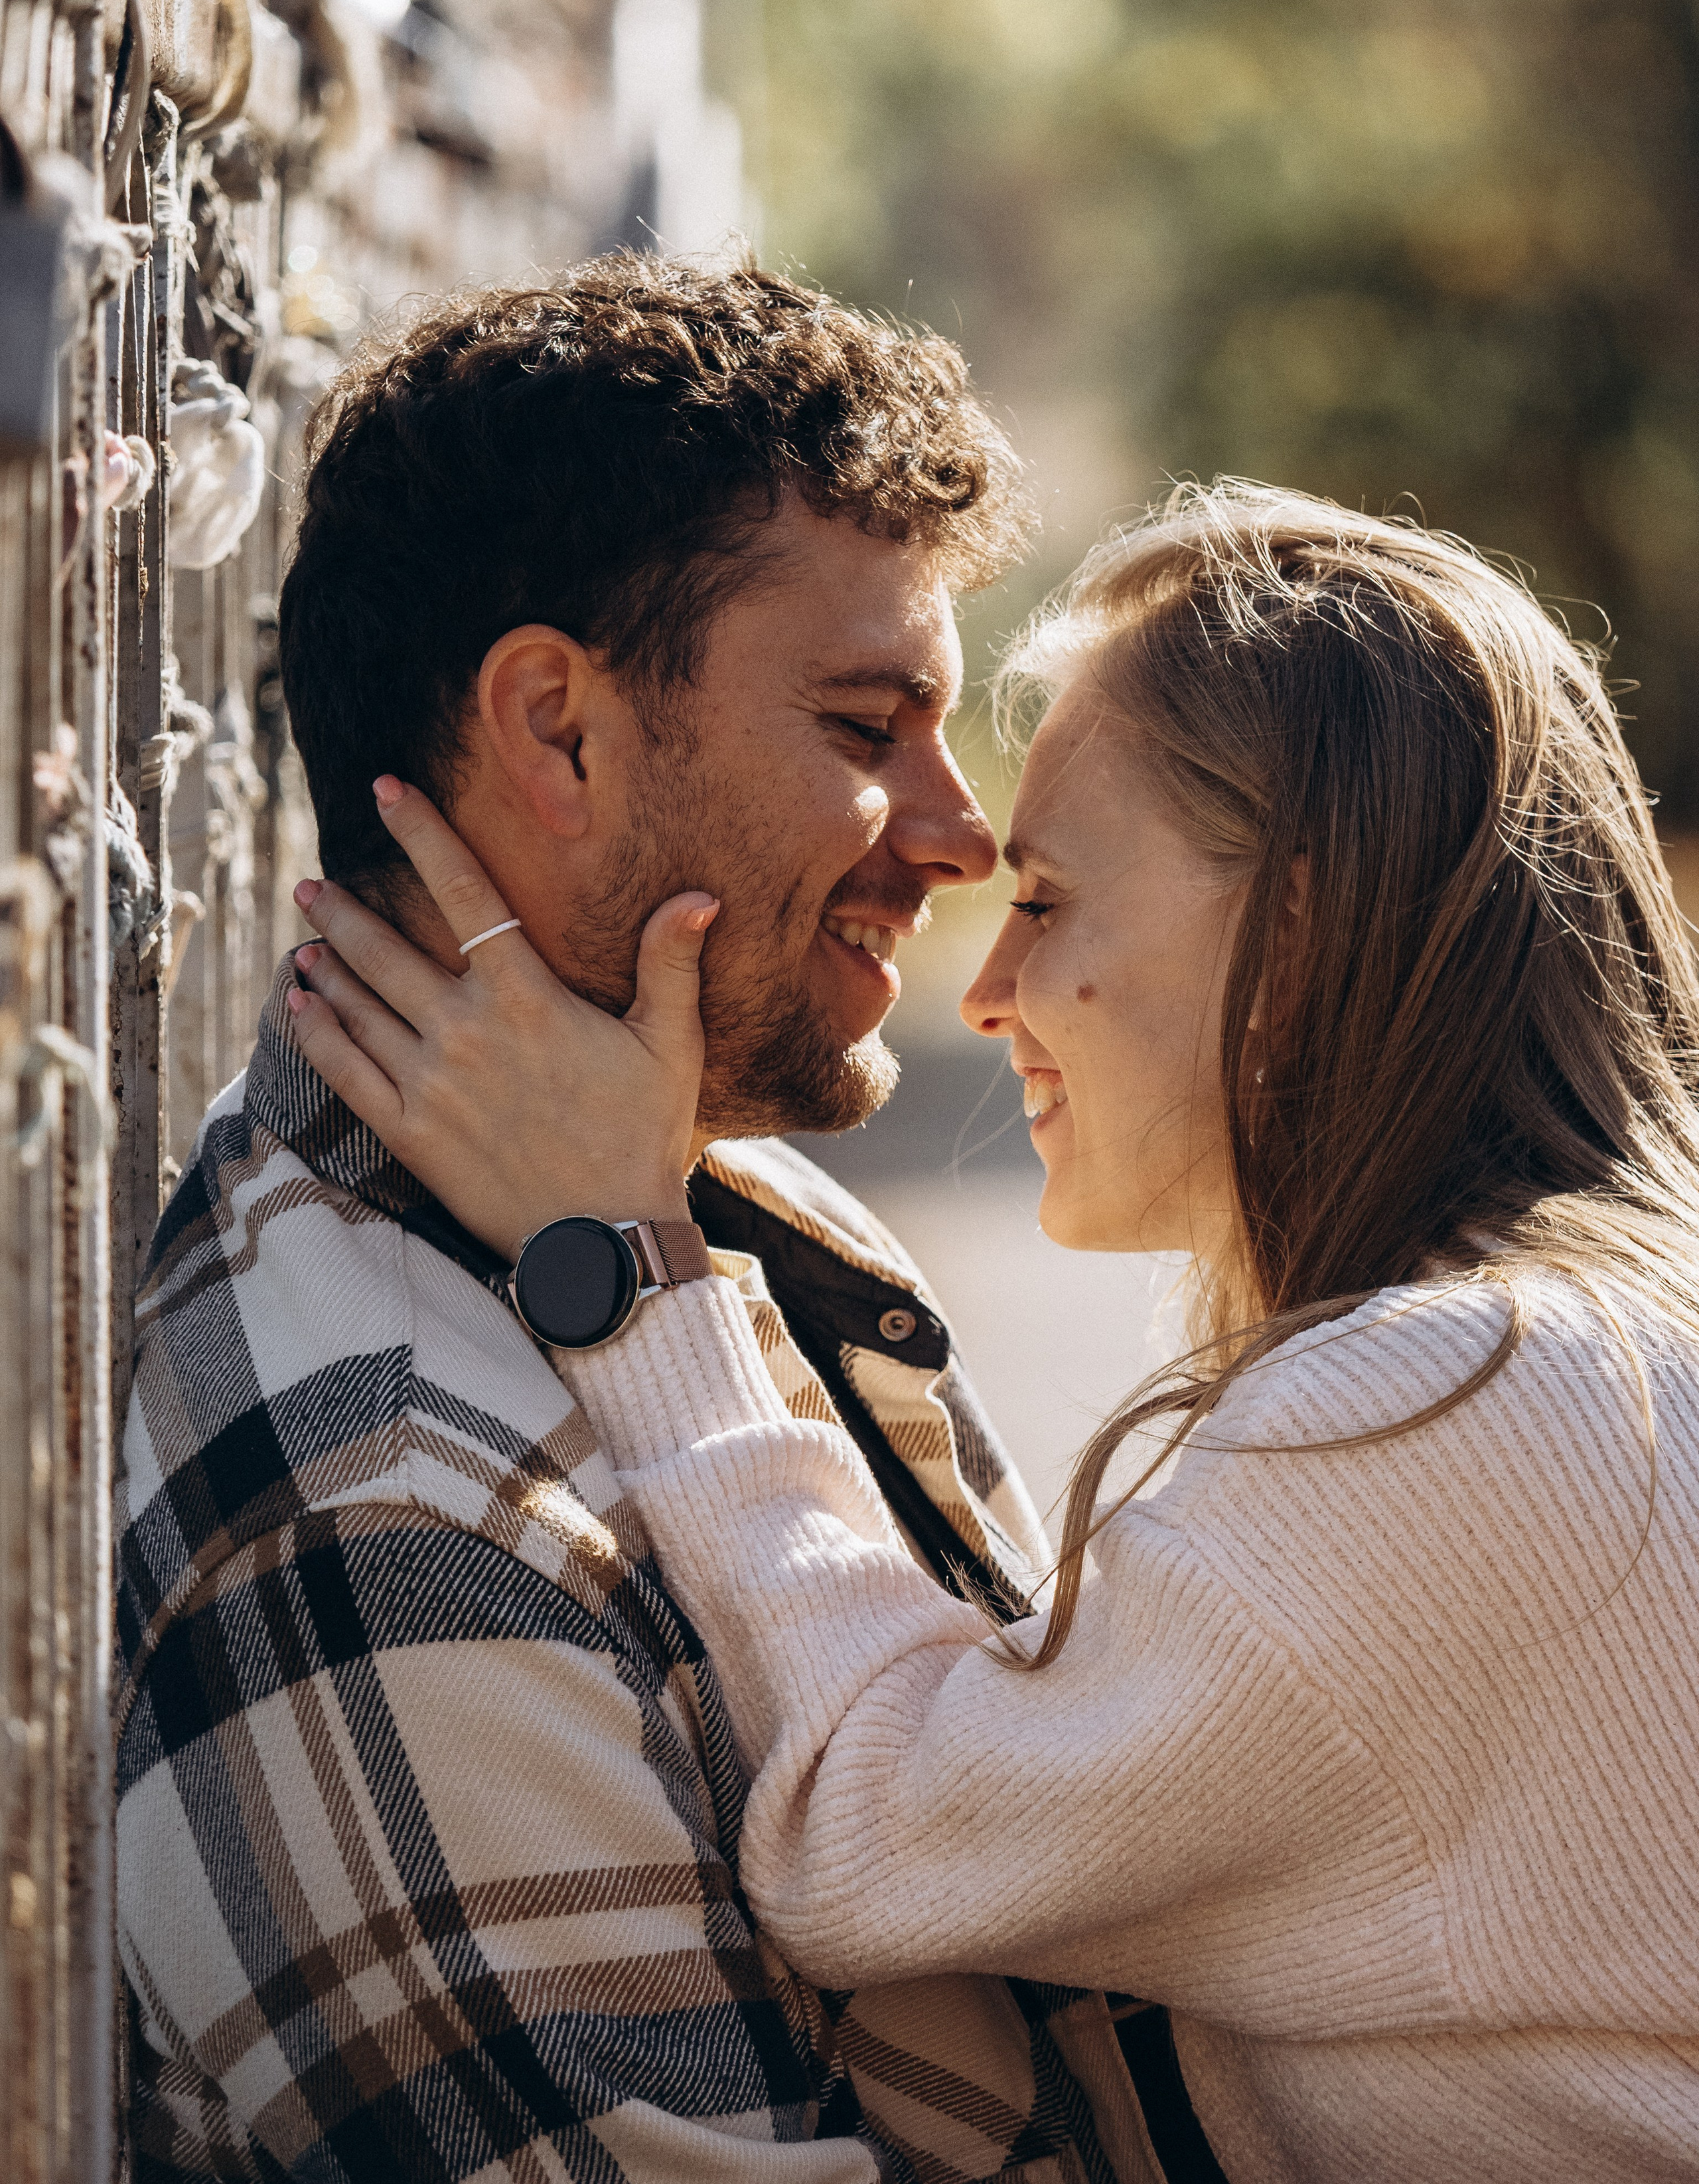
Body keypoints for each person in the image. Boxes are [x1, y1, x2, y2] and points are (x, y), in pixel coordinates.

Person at [292, 479, 1699, 2184]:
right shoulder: (1586, 1346)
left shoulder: (1453, 1404)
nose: (984, 990)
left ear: (1299, 930)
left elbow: (873, 1838)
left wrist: (631, 1266)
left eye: (1044, 902)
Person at [115, 258, 1147, 2183]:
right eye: (868, 722)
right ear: (559, 731)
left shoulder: (708, 1191)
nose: (960, 827)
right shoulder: (376, 1502)